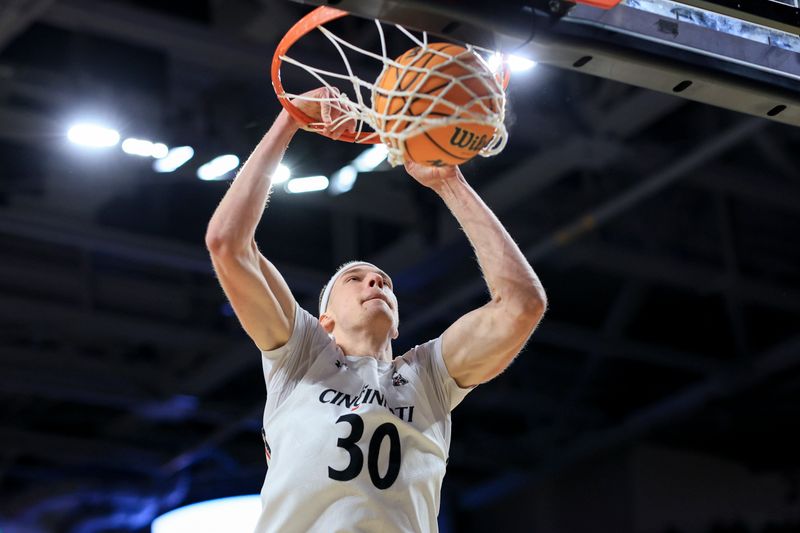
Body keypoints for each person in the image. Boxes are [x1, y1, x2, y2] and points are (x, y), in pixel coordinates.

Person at [205, 87, 547, 533]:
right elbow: (228, 244)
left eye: (384, 280)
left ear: (399, 324)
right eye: (355, 279)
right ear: (323, 320)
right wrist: (289, 120)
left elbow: (522, 304)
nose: (377, 280)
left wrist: (449, 181)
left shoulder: (428, 378)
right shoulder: (302, 354)